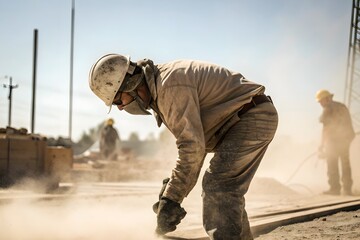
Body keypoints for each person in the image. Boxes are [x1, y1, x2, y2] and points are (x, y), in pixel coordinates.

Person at [89, 54, 278, 240]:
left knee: (219, 186)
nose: (120, 108)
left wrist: (172, 198)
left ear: (131, 86)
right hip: (239, 119)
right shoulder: (161, 87)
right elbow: (196, 146)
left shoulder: (170, 86)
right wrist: (172, 190)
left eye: (117, 101)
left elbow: (192, 147)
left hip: (252, 116)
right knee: (225, 190)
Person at [316, 89, 355, 196]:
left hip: (336, 139)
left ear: (327, 99)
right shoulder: (342, 106)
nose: (320, 104)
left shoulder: (328, 108)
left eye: (321, 101)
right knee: (345, 163)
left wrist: (322, 145)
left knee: (331, 161)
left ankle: (335, 188)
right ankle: (347, 189)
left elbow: (326, 129)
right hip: (346, 138)